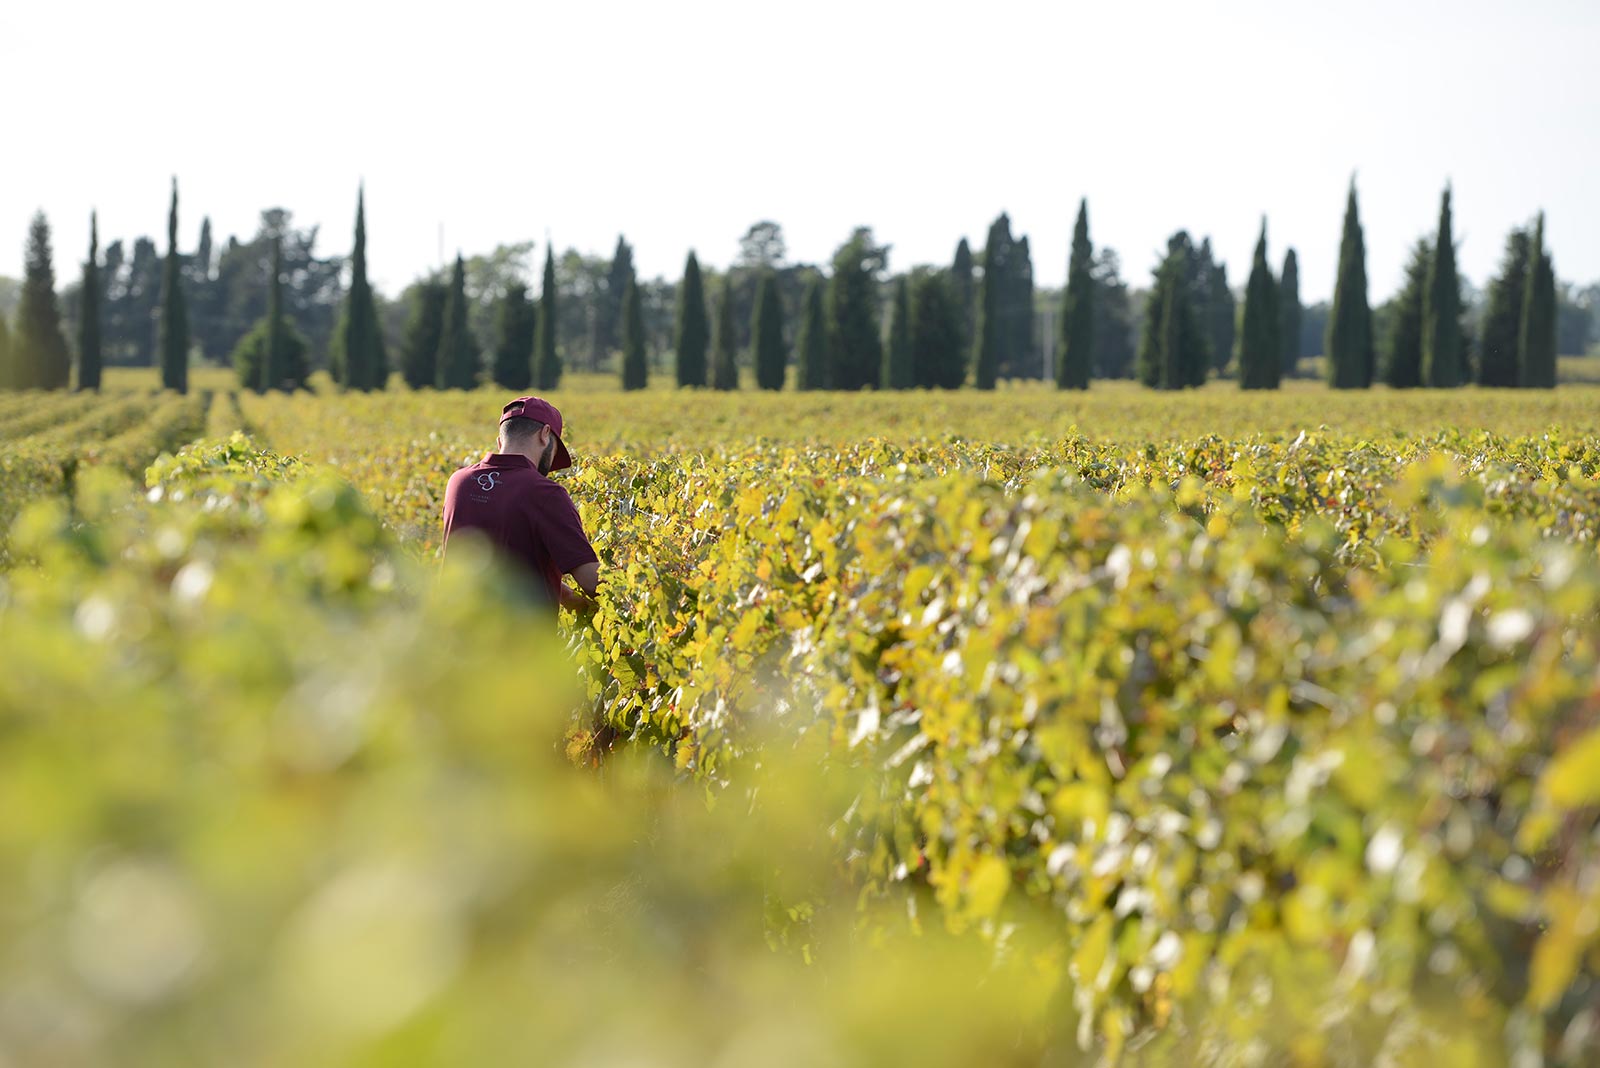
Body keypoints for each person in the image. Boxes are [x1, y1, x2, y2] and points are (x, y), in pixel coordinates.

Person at [442, 396, 599, 612]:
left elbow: (501, 560)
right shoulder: (545, 493)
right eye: (555, 453)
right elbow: (592, 582)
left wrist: (566, 595)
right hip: (519, 643)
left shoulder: (458, 482)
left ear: (500, 441)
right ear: (545, 435)